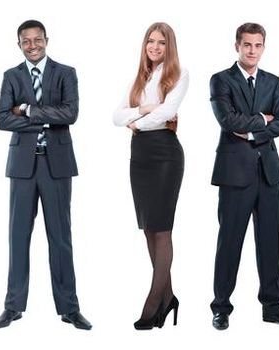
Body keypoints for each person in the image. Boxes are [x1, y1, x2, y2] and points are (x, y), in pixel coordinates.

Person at [0, 19, 90, 331]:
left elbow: (70, 114)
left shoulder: (65, 73)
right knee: (17, 237)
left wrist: (30, 111)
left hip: (57, 165)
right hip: (22, 167)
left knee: (61, 238)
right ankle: (13, 307)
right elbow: (2, 118)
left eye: (37, 40)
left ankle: (70, 308)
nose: (32, 46)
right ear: (18, 44)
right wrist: (47, 118)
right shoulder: (11, 76)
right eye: (26, 41)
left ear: (46, 39)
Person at [207, 22, 279, 331]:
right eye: (247, 44)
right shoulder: (221, 80)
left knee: (269, 243)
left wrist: (248, 130)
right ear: (237, 46)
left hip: (269, 174)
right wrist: (263, 119)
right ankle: (221, 307)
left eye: (257, 45)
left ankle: (273, 307)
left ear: (263, 47)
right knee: (230, 243)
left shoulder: (273, 82)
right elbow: (226, 119)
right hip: (235, 175)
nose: (252, 50)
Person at [112, 22, 190, 331]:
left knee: (162, 229)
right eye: (150, 42)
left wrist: (137, 121)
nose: (155, 47)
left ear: (169, 46)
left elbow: (166, 113)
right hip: (139, 156)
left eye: (161, 42)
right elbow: (116, 116)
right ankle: (168, 297)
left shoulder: (179, 74)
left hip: (165, 154)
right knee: (148, 228)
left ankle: (153, 302)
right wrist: (141, 109)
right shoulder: (140, 77)